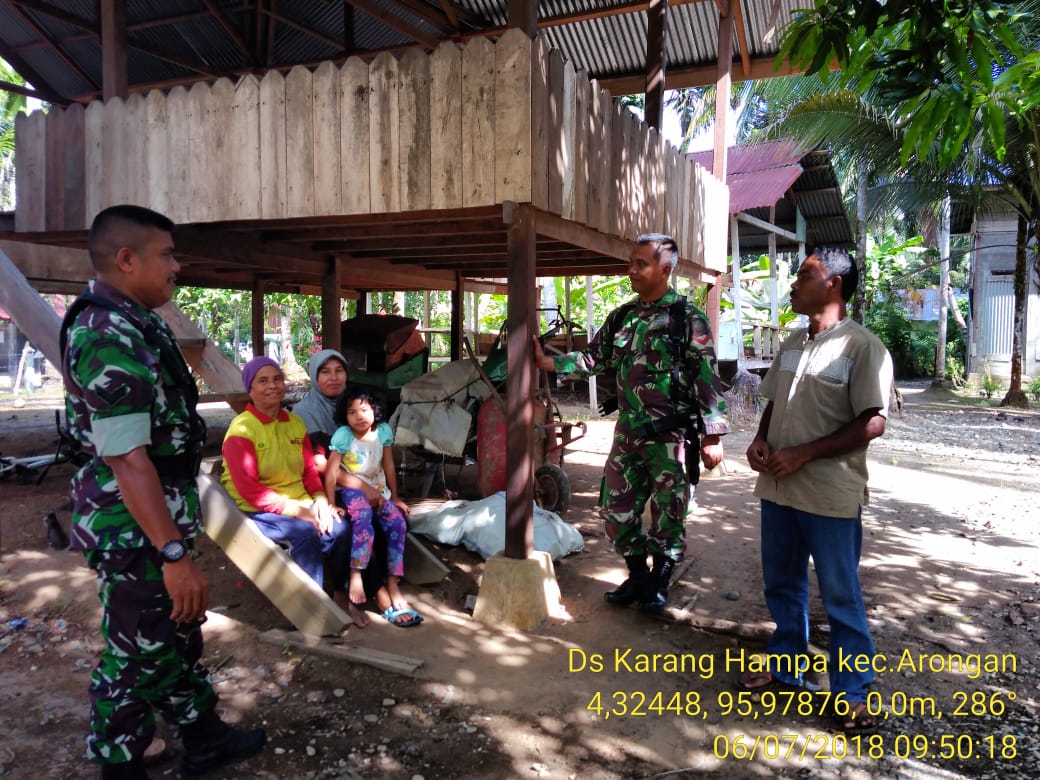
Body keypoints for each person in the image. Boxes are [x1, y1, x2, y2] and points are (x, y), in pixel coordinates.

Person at [61, 204, 266, 779]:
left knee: (173, 634)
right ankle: (119, 764)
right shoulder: (104, 331)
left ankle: (203, 738)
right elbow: (127, 458)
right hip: (134, 526)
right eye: (166, 255)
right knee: (138, 651)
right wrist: (172, 553)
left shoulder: (136, 318)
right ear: (126, 260)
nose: (177, 265)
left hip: (156, 516)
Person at [532, 232, 730, 612]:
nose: (632, 270)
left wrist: (712, 435)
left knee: (669, 512)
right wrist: (548, 362)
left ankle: (658, 581)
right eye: (631, 263)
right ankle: (638, 576)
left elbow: (707, 376)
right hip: (629, 431)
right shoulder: (623, 316)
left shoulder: (687, 319)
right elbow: (594, 358)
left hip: (672, 434)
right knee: (615, 508)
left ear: (665, 269)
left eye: (641, 264)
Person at [743, 248, 893, 735]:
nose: (793, 283)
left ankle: (852, 691)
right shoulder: (790, 341)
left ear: (833, 283)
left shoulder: (862, 348)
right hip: (779, 487)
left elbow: (873, 422)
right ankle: (787, 663)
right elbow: (773, 401)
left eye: (804, 275)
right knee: (781, 583)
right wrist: (761, 438)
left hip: (829, 493)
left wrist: (806, 452)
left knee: (839, 593)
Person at [220, 356, 362, 624]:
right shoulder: (242, 430)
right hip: (259, 508)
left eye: (277, 379)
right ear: (250, 389)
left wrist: (320, 501)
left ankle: (340, 594)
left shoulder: (294, 424)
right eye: (263, 381)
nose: (272, 386)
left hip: (300, 501)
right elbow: (251, 492)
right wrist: (300, 512)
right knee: (306, 533)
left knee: (340, 527)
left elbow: (309, 471)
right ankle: (311, 611)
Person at [325, 388, 422, 627]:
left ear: (375, 410)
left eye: (364, 410)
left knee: (397, 522)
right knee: (363, 517)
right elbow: (331, 471)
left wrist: (396, 497)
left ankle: (392, 582)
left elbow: (388, 465)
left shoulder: (384, 432)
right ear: (344, 416)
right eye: (351, 412)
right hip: (352, 491)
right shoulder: (343, 436)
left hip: (380, 489)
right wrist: (330, 503)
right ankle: (356, 573)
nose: (359, 416)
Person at [292, 349, 350, 467]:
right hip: (324, 480)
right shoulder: (303, 412)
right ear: (314, 376)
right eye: (325, 372)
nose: (334, 377)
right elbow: (319, 465)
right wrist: (364, 485)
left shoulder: (357, 404)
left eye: (339, 370)